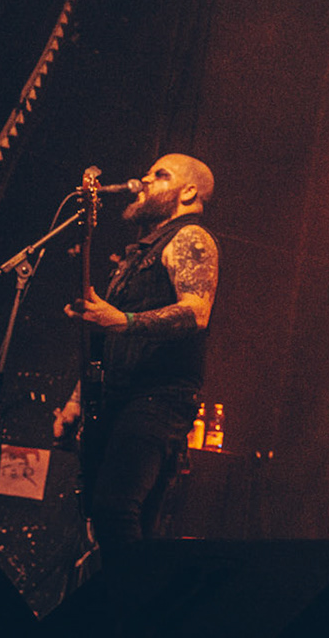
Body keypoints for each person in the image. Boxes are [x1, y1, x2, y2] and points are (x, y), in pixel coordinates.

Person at [52, 153, 220, 552]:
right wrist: (76, 401)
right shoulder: (138, 254)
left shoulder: (190, 238)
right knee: (112, 518)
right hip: (117, 396)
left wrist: (121, 320)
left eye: (159, 175)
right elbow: (107, 337)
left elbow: (196, 313)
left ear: (189, 191)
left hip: (157, 399)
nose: (143, 180)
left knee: (115, 510)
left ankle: (134, 609)